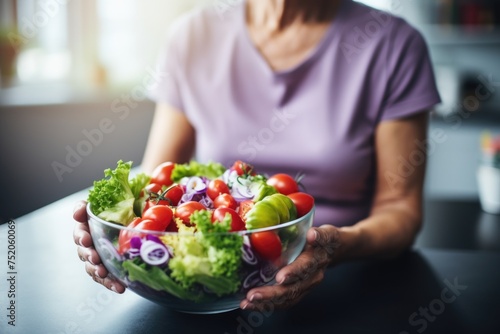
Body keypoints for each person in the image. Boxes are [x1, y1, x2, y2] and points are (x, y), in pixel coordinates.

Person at [73, 0, 441, 310]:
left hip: (350, 287)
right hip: (208, 286)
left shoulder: (394, 45)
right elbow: (155, 183)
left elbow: (401, 211)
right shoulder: (193, 36)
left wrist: (335, 247)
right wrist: (119, 233)